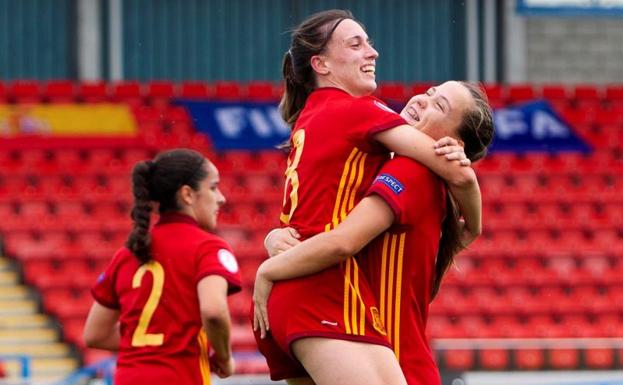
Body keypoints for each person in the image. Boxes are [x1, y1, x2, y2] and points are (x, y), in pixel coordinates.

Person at [252, 9, 482, 385]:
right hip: (334, 305)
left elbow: (330, 228)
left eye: (438, 104)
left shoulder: (401, 165)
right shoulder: (376, 142)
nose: (372, 52)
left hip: (333, 312)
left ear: (453, 144)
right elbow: (339, 236)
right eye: (356, 44)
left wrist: (272, 252)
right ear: (320, 64)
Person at [83, 148, 242, 385]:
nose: (221, 197)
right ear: (187, 194)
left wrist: (154, 343)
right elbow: (214, 312)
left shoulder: (128, 253)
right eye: (213, 187)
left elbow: (95, 334)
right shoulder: (207, 247)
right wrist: (225, 357)